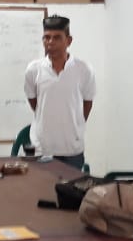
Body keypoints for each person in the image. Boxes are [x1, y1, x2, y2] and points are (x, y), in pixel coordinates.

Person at [24, 15, 96, 169]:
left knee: (72, 185)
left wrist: (73, 125)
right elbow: (35, 104)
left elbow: (87, 104)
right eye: (47, 37)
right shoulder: (33, 69)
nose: (50, 42)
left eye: (57, 37)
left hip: (72, 150)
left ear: (68, 41)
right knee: (41, 185)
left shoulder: (83, 69)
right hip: (42, 148)